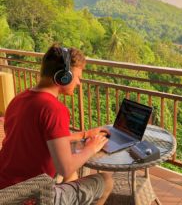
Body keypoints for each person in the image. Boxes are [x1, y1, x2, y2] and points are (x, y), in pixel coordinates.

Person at [0, 44, 113, 204]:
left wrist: (84, 135)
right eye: (78, 77)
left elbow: (43, 137)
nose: (79, 83)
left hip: (5, 188)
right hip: (30, 196)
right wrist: (91, 147)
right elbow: (64, 167)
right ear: (63, 76)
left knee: (72, 176)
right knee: (106, 180)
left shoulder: (20, 99)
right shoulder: (53, 109)